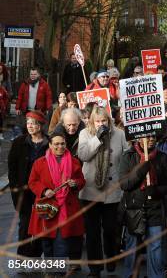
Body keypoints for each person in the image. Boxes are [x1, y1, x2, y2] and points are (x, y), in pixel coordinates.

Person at [77, 106, 129, 276]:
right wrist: (97, 139)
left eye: (104, 120)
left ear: (109, 120)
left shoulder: (119, 134)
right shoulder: (85, 133)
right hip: (91, 189)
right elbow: (83, 155)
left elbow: (126, 156)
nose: (101, 124)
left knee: (110, 228)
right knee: (92, 232)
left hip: (112, 190)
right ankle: (95, 268)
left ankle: (111, 257)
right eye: (98, 121)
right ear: (92, 121)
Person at [119, 134, 167, 278]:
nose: (151, 139)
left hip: (155, 208)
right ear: (138, 138)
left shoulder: (162, 157)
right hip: (134, 209)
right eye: (147, 137)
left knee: (156, 247)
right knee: (131, 247)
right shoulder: (128, 156)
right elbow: (124, 184)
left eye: (153, 137)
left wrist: (157, 190)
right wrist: (139, 172)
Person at [28, 131, 85, 260]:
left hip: (66, 208)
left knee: (61, 243)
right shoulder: (39, 163)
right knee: (46, 243)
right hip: (47, 206)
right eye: (56, 144)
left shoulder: (74, 162)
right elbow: (32, 182)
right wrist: (44, 190)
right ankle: (51, 271)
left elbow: (82, 181)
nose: (60, 147)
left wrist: (75, 183)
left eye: (63, 143)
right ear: (50, 145)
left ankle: (58, 272)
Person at [8, 111, 48, 257]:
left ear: (41, 125)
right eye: (28, 123)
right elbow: (12, 168)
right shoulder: (19, 142)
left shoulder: (48, 143)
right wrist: (14, 188)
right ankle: (23, 255)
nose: (30, 126)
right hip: (23, 189)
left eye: (34, 123)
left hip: (41, 190)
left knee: (40, 222)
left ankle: (36, 253)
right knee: (24, 224)